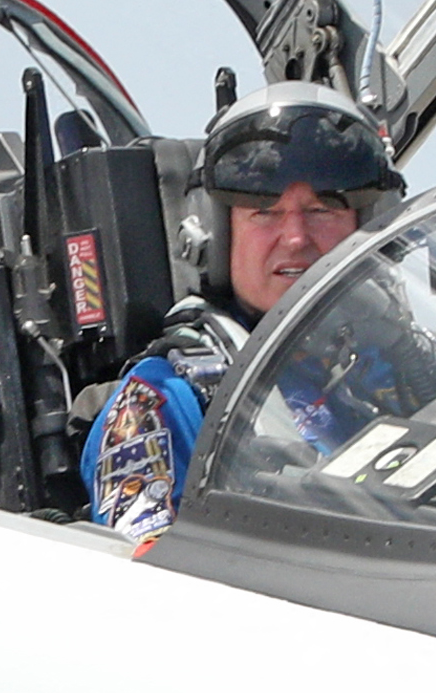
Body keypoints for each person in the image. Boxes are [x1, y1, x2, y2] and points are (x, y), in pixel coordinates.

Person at [79, 82, 403, 539]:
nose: (296, 237)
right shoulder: (164, 402)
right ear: (215, 233)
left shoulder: (396, 370)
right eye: (265, 212)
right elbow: (148, 578)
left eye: (322, 209)